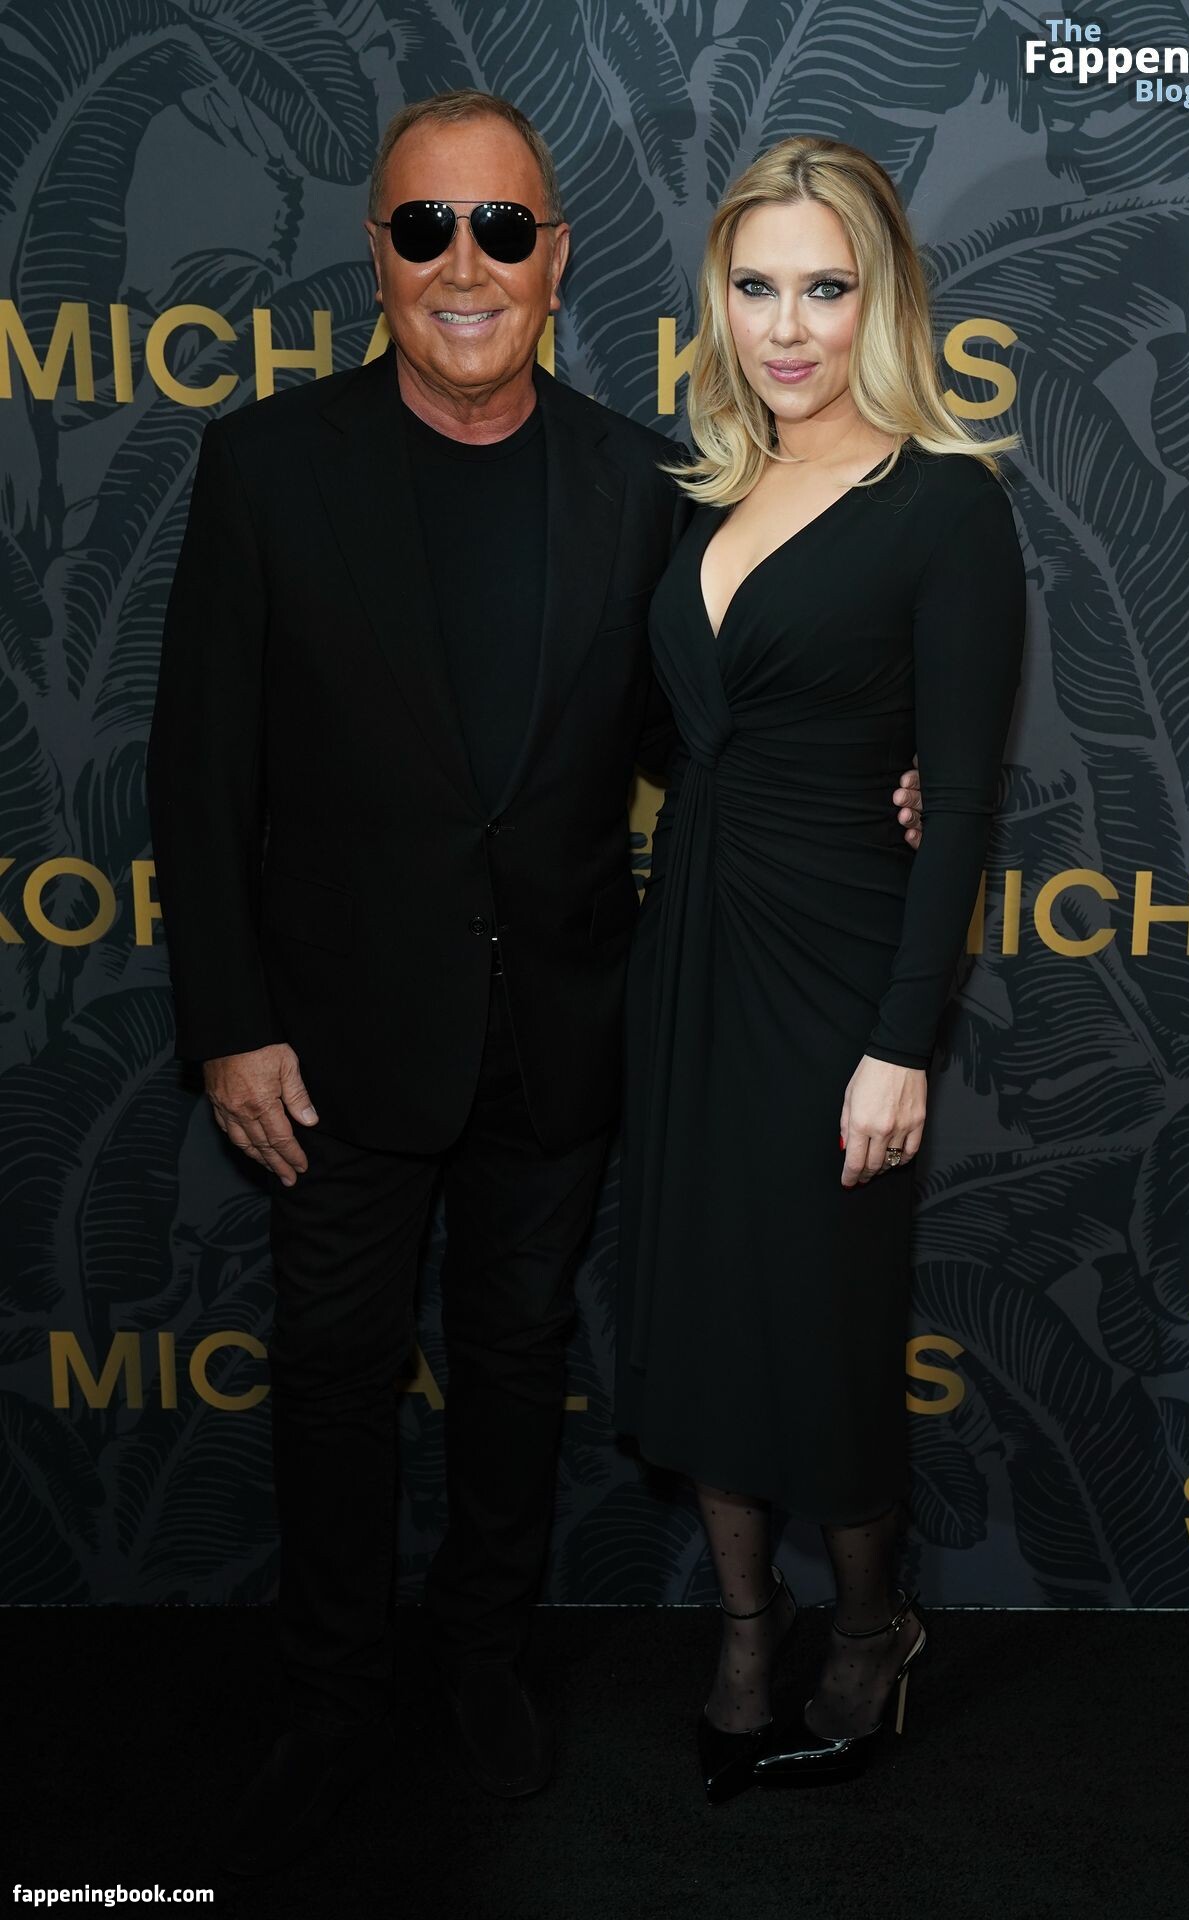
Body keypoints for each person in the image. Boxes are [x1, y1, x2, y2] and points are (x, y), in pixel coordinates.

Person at [146, 90, 928, 1871]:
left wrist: (876, 778)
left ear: (556, 259)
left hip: (562, 1032)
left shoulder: (640, 485)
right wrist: (230, 1024)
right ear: (378, 255)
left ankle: (484, 1664)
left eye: (502, 228)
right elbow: (197, 776)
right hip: (330, 1044)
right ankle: (333, 1696)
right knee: (333, 1373)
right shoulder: (267, 467)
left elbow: (703, 736)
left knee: (514, 1365)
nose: (466, 265)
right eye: (426, 228)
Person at [615, 134, 1027, 1801]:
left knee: (826, 1325)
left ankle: (870, 1623)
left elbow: (965, 798)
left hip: (844, 966)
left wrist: (901, 1042)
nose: (788, 327)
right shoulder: (697, 489)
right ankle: (743, 1631)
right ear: (719, 298)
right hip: (692, 952)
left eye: (826, 287)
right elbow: (673, 729)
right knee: (699, 1305)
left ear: (886, 298)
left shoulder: (945, 504)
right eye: (756, 286)